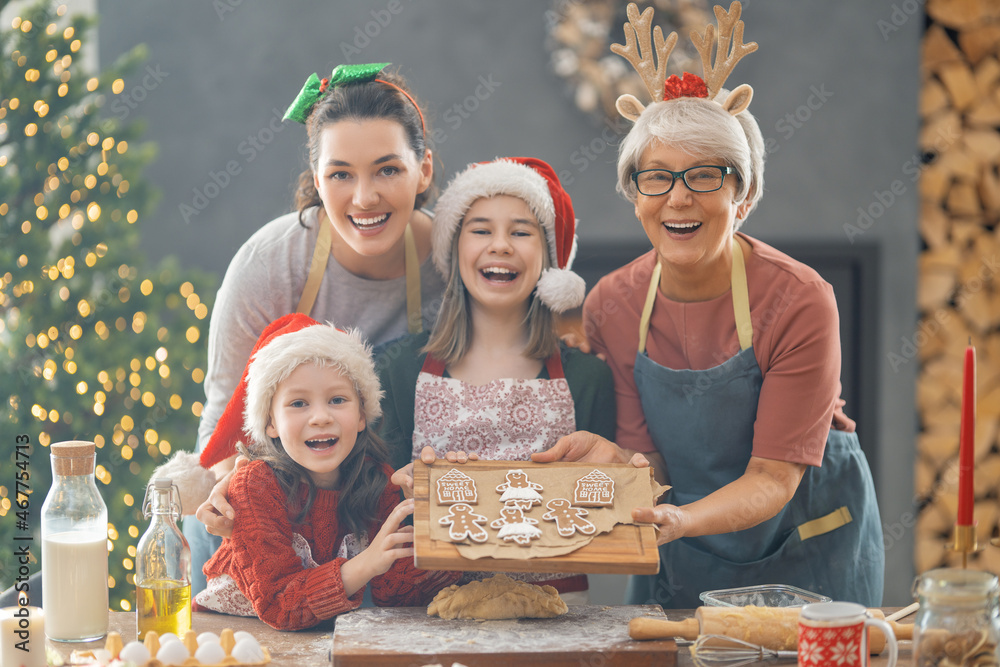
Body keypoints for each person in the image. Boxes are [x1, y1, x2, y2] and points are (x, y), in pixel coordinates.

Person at [534, 2, 884, 608]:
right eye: (657, 177)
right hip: (685, 548)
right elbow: (652, 463)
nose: (678, 199)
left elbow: (774, 477)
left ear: (742, 196)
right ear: (634, 194)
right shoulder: (614, 305)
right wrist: (616, 461)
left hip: (806, 541)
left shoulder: (800, 299)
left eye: (705, 176)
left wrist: (683, 521)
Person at [186, 62, 445, 594]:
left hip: (384, 520)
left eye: (388, 170)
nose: (365, 197)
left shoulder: (456, 262)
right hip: (272, 518)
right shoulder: (270, 264)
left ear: (424, 170)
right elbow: (224, 418)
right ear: (318, 178)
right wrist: (227, 497)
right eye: (341, 174)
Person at [377, 157, 617, 602]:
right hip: (426, 609)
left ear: (549, 258)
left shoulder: (588, 377)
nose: (501, 246)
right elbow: (368, 499)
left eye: (522, 232)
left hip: (557, 609)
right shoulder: (400, 368)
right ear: (454, 249)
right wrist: (397, 487)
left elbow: (609, 506)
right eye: (482, 230)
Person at [193, 313, 458, 630]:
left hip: (320, 638)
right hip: (233, 638)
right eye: (298, 403)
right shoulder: (254, 486)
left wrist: (441, 515)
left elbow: (397, 594)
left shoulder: (377, 479)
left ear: (362, 416)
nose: (320, 417)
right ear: (270, 424)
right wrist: (365, 563)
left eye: (337, 399)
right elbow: (280, 604)